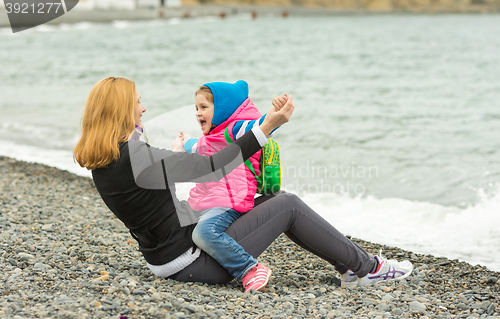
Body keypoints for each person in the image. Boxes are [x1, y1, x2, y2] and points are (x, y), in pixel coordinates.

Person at [74, 76, 412, 293]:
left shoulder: (104, 158)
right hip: (194, 263)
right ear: (121, 109)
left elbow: (155, 200)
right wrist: (267, 128)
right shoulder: (134, 154)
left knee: (268, 199)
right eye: (137, 103)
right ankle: (370, 269)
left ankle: (350, 266)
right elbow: (213, 165)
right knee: (289, 205)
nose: (143, 107)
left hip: (165, 256)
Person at [175, 81, 287, 291]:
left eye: (204, 107)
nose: (198, 113)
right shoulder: (212, 138)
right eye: (196, 108)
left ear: (223, 110)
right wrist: (184, 142)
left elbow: (260, 126)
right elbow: (195, 146)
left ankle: (249, 269)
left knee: (203, 233)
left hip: (229, 202)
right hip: (206, 201)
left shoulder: (235, 130)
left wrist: (275, 113)